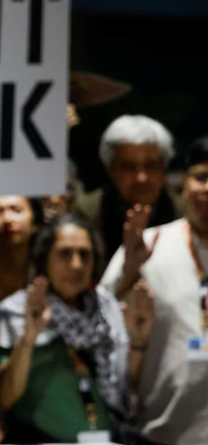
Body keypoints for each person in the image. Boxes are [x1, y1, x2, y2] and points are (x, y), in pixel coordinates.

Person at [0, 215, 154, 444]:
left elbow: (126, 383)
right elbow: (5, 397)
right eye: (64, 254)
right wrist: (29, 337)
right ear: (44, 259)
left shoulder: (107, 306)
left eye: (85, 255)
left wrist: (138, 342)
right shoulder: (18, 310)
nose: (76, 265)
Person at [101, 136, 208, 444]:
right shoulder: (149, 246)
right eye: (201, 177)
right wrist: (128, 273)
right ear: (184, 184)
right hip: (162, 435)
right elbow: (95, 321)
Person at [74, 115, 180, 262]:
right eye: (129, 167)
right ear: (110, 169)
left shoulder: (185, 213)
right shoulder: (87, 214)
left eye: (151, 166)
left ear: (164, 166)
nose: (141, 178)